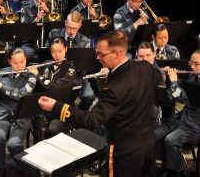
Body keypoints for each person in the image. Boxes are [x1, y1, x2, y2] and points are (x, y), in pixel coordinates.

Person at [38, 30, 160, 177]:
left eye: (101, 54)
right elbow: (154, 78)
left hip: (125, 152)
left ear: (117, 53)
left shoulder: (115, 88)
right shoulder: (145, 68)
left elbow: (92, 119)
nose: (97, 57)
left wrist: (56, 106)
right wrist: (113, 76)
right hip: (147, 144)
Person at [0, 48, 37, 177]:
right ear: (9, 61)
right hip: (2, 114)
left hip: (21, 115)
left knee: (14, 144)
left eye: (22, 62)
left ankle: (26, 169)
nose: (19, 66)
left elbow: (21, 95)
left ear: (26, 61)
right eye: (15, 63)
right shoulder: (2, 73)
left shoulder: (32, 75)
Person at [154, 49, 200, 177]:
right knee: (156, 133)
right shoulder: (193, 75)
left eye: (196, 64)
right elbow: (175, 95)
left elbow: (186, 99)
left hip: (195, 125)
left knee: (170, 140)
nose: (192, 66)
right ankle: (165, 164)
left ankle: (176, 171)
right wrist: (167, 77)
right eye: (191, 63)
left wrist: (174, 82)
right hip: (184, 118)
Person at [27, 37, 76, 142]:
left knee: (53, 128)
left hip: (61, 108)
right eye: (53, 52)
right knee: (38, 123)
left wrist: (38, 75)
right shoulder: (47, 64)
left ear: (66, 49)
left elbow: (54, 87)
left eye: (60, 51)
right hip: (45, 107)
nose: (57, 55)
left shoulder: (70, 69)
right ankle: (38, 151)